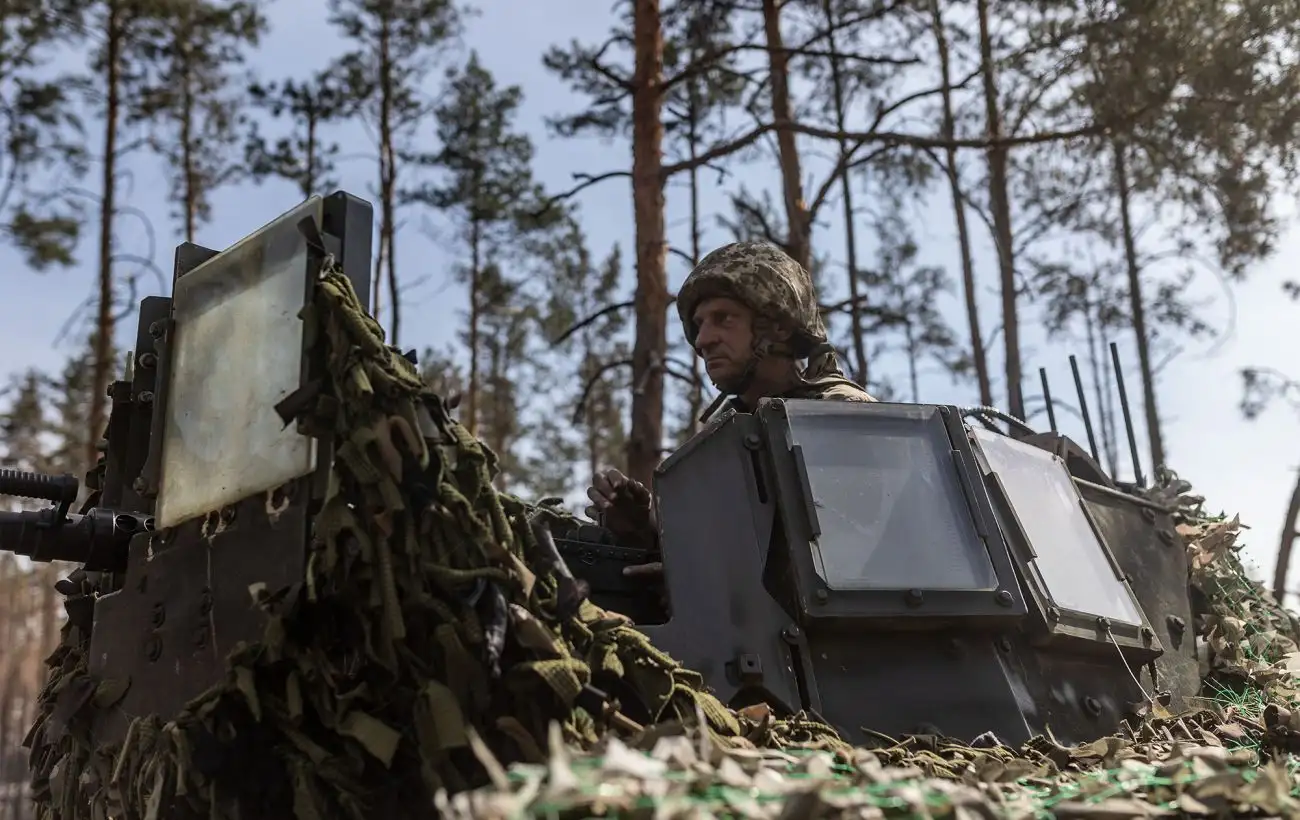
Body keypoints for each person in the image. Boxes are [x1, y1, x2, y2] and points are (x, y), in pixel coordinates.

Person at [585, 241, 875, 577]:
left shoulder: (842, 416)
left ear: (778, 326)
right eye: (700, 324)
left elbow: (851, 562)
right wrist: (645, 529)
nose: (703, 340)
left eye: (723, 319)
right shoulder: (728, 436)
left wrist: (707, 573)